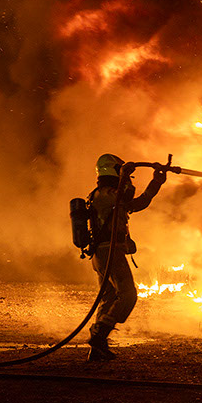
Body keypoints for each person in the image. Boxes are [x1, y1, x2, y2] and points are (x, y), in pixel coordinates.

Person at [85, 153, 165, 361]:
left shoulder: (112, 195)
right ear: (112, 170)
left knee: (109, 297)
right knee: (128, 295)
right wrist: (125, 175)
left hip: (107, 252)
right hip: (108, 252)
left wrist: (156, 181)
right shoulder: (105, 195)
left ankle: (97, 349)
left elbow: (140, 202)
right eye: (120, 170)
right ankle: (100, 335)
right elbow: (128, 194)